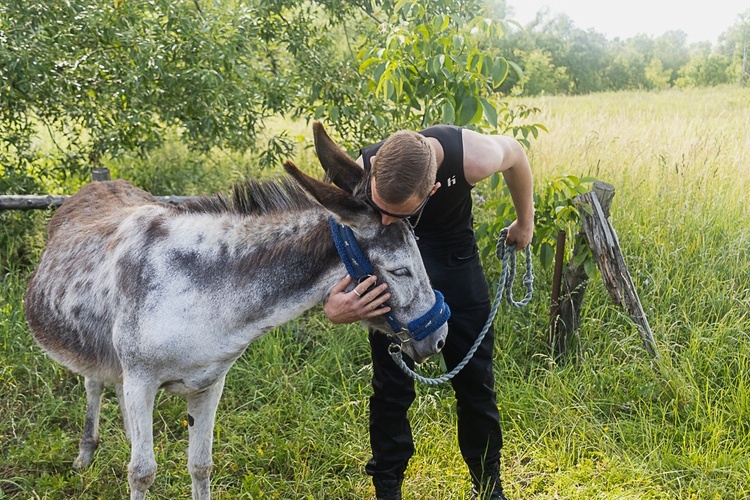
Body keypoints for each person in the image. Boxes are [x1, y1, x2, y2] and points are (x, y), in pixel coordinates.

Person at [323, 125, 534, 500]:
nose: (385, 222)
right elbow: (332, 232)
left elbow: (516, 155)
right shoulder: (363, 168)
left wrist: (525, 222)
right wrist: (332, 303)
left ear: (432, 191)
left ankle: (489, 488)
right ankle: (387, 490)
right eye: (379, 210)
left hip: (456, 271)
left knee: (476, 387)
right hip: (393, 287)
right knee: (390, 392)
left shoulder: (473, 156)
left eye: (396, 215)